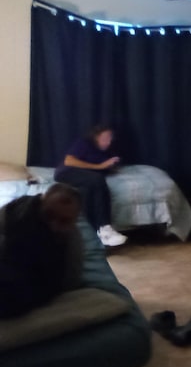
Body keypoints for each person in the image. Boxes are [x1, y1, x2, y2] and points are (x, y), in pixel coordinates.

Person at [0, 183, 84, 318]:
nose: (54, 225)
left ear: (74, 220)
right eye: (49, 215)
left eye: (64, 221)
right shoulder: (15, 211)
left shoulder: (72, 243)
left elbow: (69, 282)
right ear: (41, 203)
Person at [54, 124, 127, 247]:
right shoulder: (84, 143)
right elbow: (69, 161)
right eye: (105, 138)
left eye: (110, 138)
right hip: (66, 172)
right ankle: (105, 227)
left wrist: (111, 166)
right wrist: (100, 166)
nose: (108, 141)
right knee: (97, 180)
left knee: (87, 191)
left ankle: (89, 233)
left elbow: (102, 167)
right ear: (96, 137)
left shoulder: (106, 152)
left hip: (86, 177)